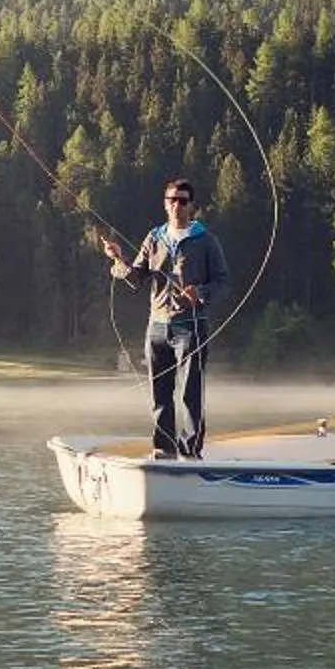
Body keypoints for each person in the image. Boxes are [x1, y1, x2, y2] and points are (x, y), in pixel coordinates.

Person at [102, 177, 229, 458]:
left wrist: (201, 293)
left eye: (182, 200)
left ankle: (191, 451)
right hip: (157, 327)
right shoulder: (154, 237)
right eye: (171, 200)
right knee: (160, 393)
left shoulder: (206, 241)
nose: (176, 205)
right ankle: (164, 450)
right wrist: (118, 260)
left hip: (191, 326)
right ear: (165, 204)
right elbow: (137, 278)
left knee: (190, 393)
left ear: (192, 206)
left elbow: (222, 282)